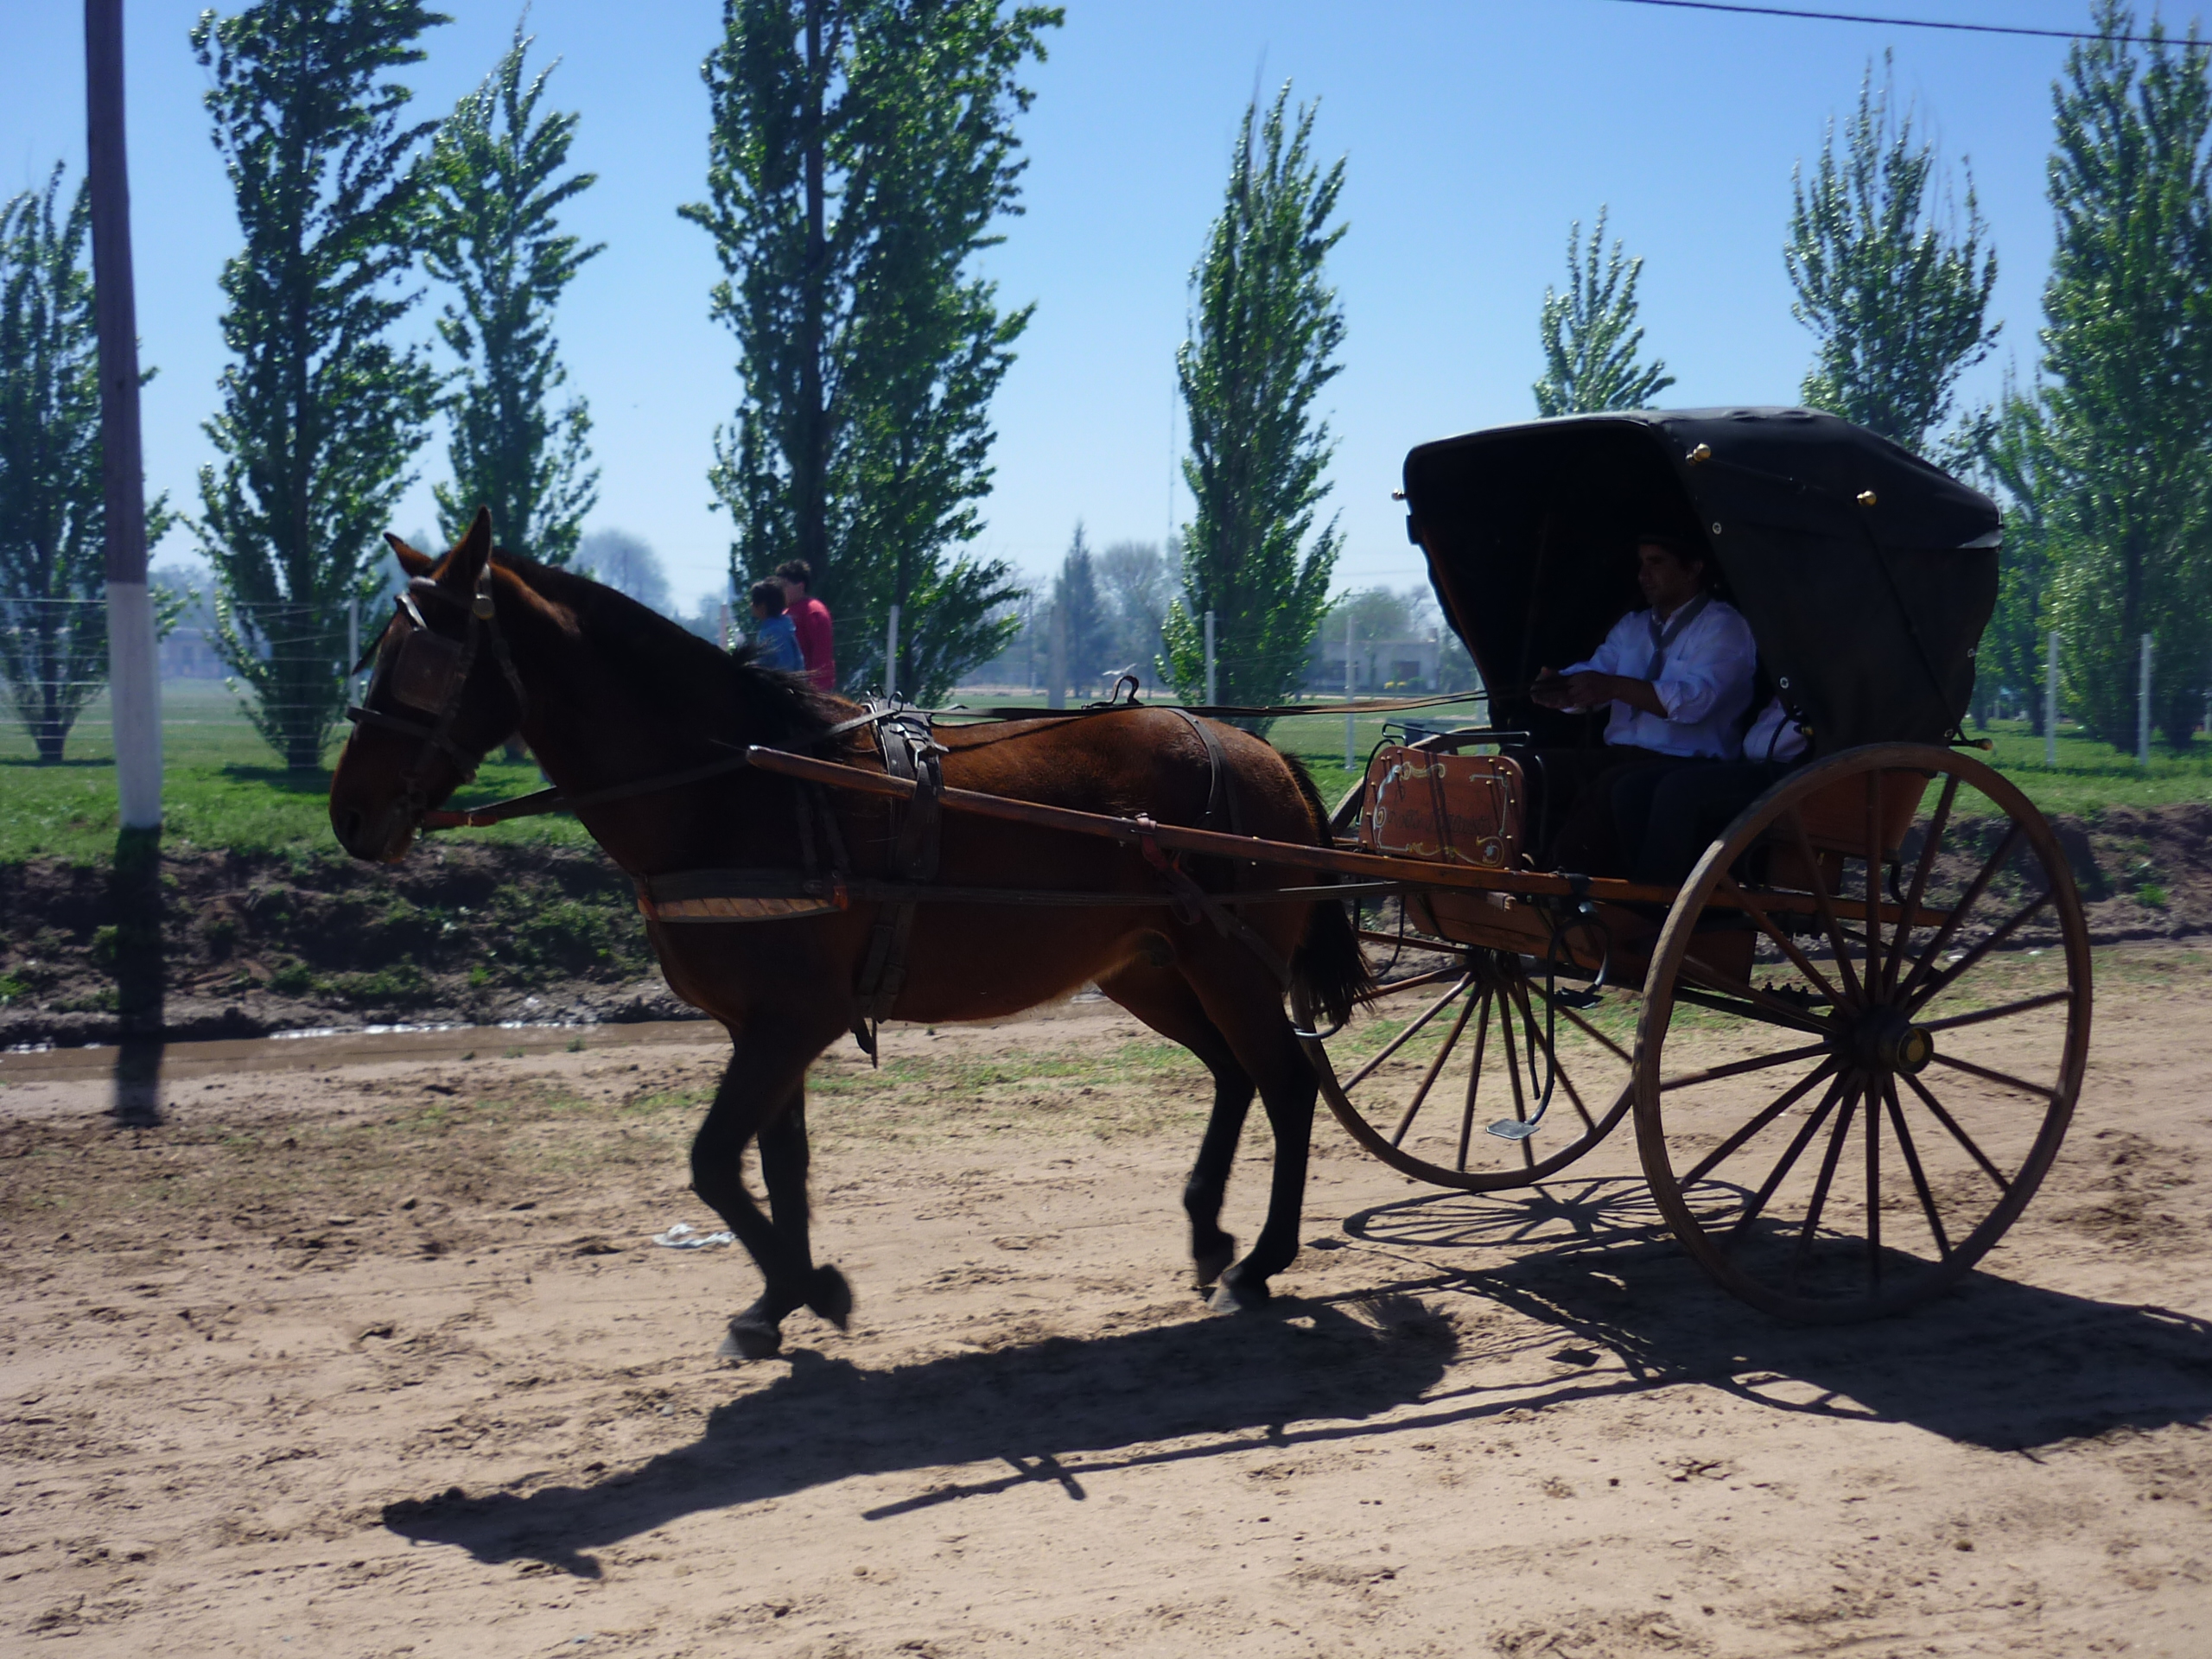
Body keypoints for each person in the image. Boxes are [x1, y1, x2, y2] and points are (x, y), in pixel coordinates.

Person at [1524, 532, 1758, 873]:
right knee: (1522, 770)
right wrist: (1562, 688)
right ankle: (1507, 863)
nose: (1643, 574)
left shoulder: (1724, 627)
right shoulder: (1632, 627)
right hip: (1621, 755)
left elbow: (1694, 702)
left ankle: (1557, 881)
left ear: (1693, 568)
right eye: (1642, 563)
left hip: (1687, 762)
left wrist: (1614, 687)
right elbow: (1597, 673)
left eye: (1656, 562)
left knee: (1612, 786)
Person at [1613, 694, 1809, 887]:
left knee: (1679, 791)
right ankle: (1636, 889)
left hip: (1795, 773)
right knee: (1630, 789)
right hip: (1753, 762)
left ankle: (1655, 898)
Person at [777, 559, 836, 692]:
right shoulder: (785, 613)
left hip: (812, 690)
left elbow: (821, 654)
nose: (781, 591)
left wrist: (815, 688)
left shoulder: (814, 611)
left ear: (800, 586)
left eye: (785, 586)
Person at [747, 578, 804, 674]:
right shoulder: (777, 626)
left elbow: (785, 667)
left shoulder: (775, 631)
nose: (751, 605)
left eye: (753, 601)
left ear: (762, 606)